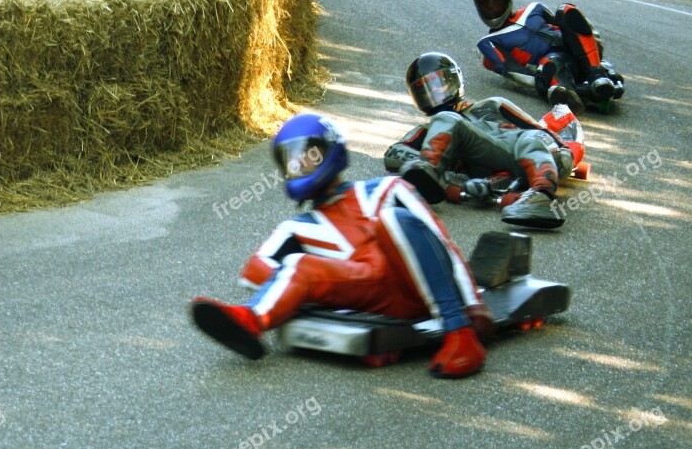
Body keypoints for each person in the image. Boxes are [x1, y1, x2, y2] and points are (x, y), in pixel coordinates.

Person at [191, 112, 495, 379]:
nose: (300, 164)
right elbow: (256, 271)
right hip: (372, 299)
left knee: (390, 220)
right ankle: (249, 321)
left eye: (310, 155)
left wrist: (473, 306)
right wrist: (320, 291)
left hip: (420, 281)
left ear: (330, 150)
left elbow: (441, 241)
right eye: (292, 161)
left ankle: (460, 336)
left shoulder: (388, 188)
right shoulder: (297, 227)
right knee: (297, 265)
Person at [384, 52, 584, 229]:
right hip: (486, 160)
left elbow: (537, 129)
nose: (433, 94)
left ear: (454, 81)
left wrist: (563, 150)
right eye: (424, 91)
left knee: (530, 138)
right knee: (446, 120)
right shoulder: (433, 128)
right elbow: (394, 153)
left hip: (525, 149)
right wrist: (440, 179)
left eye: (437, 85)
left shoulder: (493, 104)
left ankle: (541, 196)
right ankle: (429, 172)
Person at [472, 0, 624, 115]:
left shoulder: (535, 8)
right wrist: (539, 81)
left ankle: (596, 74)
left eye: (496, 2)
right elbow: (512, 70)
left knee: (565, 9)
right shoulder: (487, 44)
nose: (491, 8)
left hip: (578, 46)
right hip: (555, 64)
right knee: (549, 62)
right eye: (485, 4)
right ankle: (563, 93)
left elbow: (567, 25)